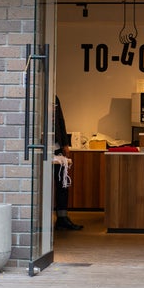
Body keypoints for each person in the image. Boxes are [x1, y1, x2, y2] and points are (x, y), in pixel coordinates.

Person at [53, 95, 83, 230]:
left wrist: (65, 144)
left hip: (57, 148)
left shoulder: (54, 98)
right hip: (41, 147)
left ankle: (62, 217)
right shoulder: (37, 96)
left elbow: (60, 121)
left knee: (62, 183)